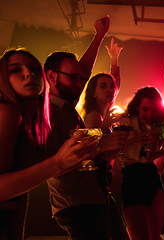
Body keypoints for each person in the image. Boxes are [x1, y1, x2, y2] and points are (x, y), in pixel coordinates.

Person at [44, 16, 129, 240]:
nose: (79, 82)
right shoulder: (47, 114)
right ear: (51, 77)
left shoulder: (66, 107)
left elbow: (84, 71)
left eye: (81, 79)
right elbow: (52, 166)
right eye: (73, 78)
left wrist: (99, 36)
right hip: (76, 203)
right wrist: (100, 145)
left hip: (95, 195)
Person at [0, 48, 99, 240]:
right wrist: (58, 162)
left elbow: (18, 193)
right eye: (15, 70)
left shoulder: (32, 121)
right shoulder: (7, 113)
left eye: (34, 69)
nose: (28, 73)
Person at [75, 38, 129, 240]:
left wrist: (114, 59)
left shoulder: (104, 111)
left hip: (103, 184)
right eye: (103, 87)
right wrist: (106, 125)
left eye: (110, 88)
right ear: (93, 92)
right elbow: (92, 150)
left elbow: (116, 84)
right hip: (93, 185)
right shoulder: (93, 115)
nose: (110, 90)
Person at [119, 86, 164, 240]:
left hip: (152, 176)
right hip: (132, 178)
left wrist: (159, 152)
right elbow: (116, 150)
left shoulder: (157, 124)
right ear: (137, 106)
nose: (150, 114)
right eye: (145, 109)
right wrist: (137, 140)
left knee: (155, 237)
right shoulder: (125, 121)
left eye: (154, 110)